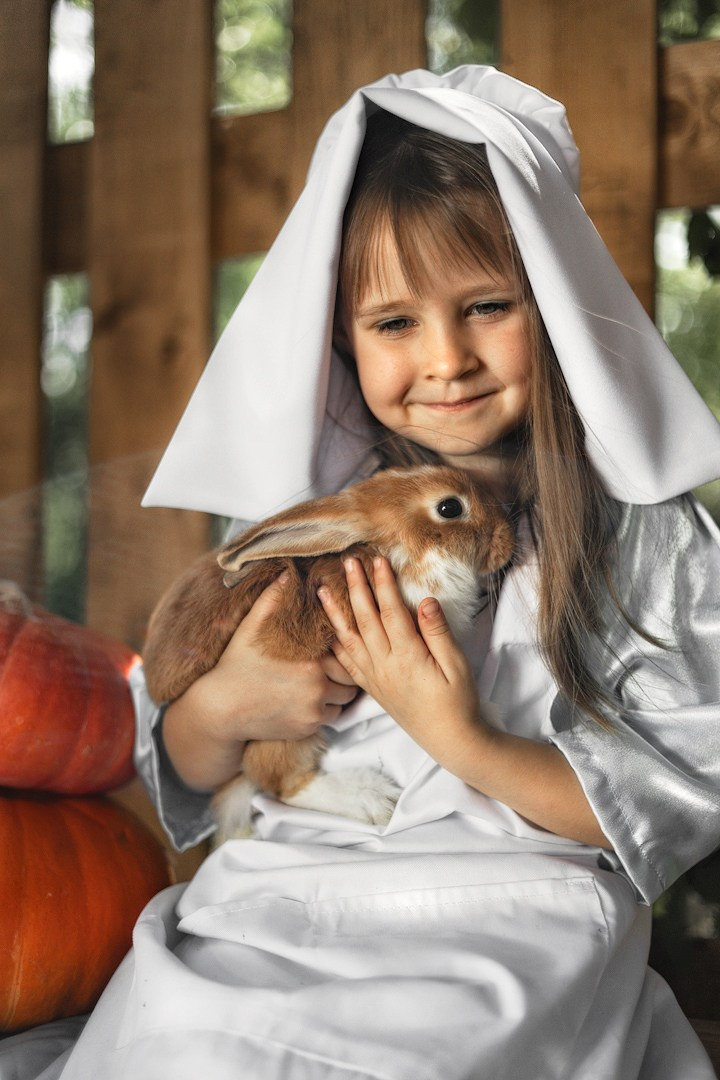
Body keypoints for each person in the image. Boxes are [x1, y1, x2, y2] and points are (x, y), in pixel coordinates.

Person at [5, 65, 720, 1080]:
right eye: (394, 324)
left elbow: (667, 799)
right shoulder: (315, 518)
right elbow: (194, 770)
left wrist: (458, 736)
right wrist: (227, 704)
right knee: (190, 1048)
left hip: (506, 915)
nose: (445, 359)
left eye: (485, 307)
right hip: (273, 899)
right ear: (340, 339)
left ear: (554, 301)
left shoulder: (640, 533)